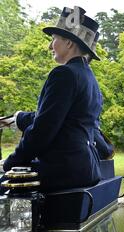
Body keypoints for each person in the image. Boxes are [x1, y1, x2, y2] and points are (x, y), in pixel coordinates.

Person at [0, 6, 104, 192]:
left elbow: (43, 130)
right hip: (83, 169)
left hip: (62, 170)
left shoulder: (63, 74)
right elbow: (64, 120)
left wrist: (10, 163)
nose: (50, 46)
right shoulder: (89, 79)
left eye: (54, 39)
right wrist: (19, 118)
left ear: (69, 43)